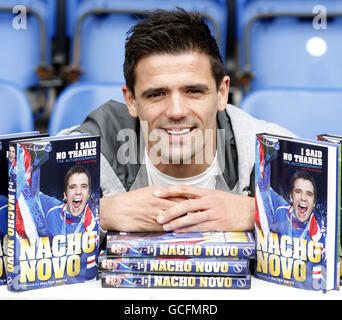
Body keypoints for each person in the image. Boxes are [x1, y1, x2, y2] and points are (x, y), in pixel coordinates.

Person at [62, 8, 293, 234]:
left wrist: (257, 212)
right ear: (131, 100)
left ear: (222, 93)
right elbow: (31, 217)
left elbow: (325, 230)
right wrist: (101, 212)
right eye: (156, 94)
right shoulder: (92, 146)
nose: (176, 111)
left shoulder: (270, 151)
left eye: (193, 91)